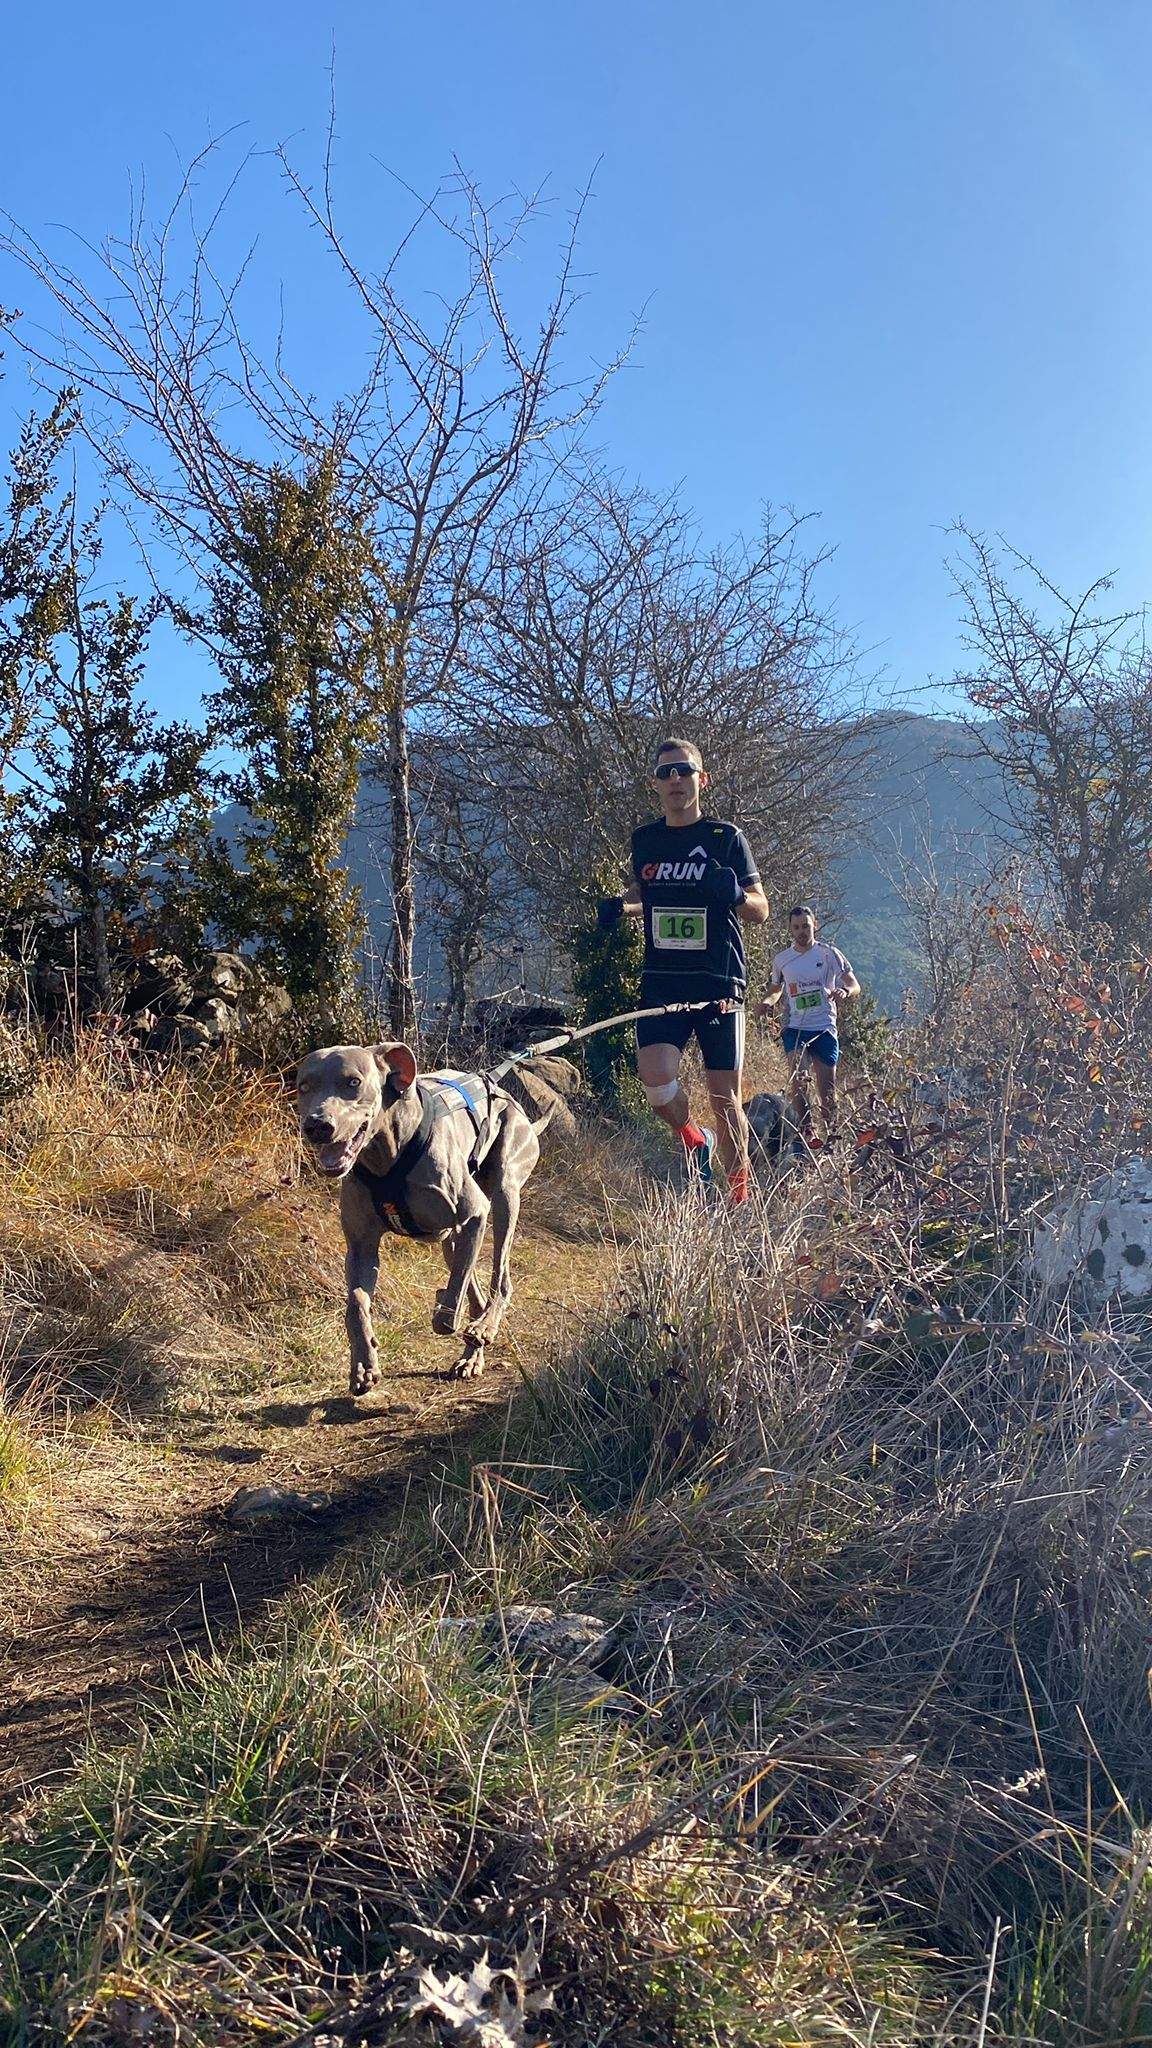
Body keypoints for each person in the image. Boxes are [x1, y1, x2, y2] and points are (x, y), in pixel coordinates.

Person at [597, 737, 770, 1202]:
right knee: (655, 1082)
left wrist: (734, 894)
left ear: (701, 779)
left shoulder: (725, 838)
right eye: (665, 772)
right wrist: (621, 908)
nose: (675, 779)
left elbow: (761, 909)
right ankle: (695, 1141)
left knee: (724, 1100)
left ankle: (739, 1201)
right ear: (655, 784)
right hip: (663, 979)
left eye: (684, 770)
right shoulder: (646, 840)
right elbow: (643, 892)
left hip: (718, 981)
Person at [758, 905, 860, 1147]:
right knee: (800, 1078)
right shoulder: (782, 959)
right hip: (795, 1027)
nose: (801, 931)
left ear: (815, 925)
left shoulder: (829, 954)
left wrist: (845, 991)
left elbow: (854, 985)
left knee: (827, 1092)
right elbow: (775, 989)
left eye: (805, 926)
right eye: (796, 927)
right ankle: (807, 1133)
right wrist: (766, 1002)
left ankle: (833, 1137)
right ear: (790, 929)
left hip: (824, 1027)